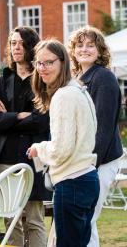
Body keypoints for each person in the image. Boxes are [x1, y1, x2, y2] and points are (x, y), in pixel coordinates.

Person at [28, 39, 100, 247]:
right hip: (86, 178)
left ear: (63, 62)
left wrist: (38, 149)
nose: (42, 68)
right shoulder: (78, 89)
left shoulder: (64, 95)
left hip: (73, 182)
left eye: (49, 62)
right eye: (39, 63)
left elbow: (61, 150)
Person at [0, 26, 51, 247]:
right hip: (5, 157)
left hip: (34, 157)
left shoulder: (43, 79)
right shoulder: (4, 79)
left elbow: (42, 120)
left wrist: (8, 117)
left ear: (32, 46)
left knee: (34, 220)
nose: (16, 47)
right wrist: (19, 115)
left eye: (21, 43)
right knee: (10, 219)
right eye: (13, 43)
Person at [68, 26, 124, 247]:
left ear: (100, 51)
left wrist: (89, 165)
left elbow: (103, 128)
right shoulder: (78, 78)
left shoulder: (104, 78)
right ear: (72, 51)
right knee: (85, 221)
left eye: (90, 45)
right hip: (83, 160)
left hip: (98, 161)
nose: (84, 49)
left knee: (85, 219)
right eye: (79, 45)